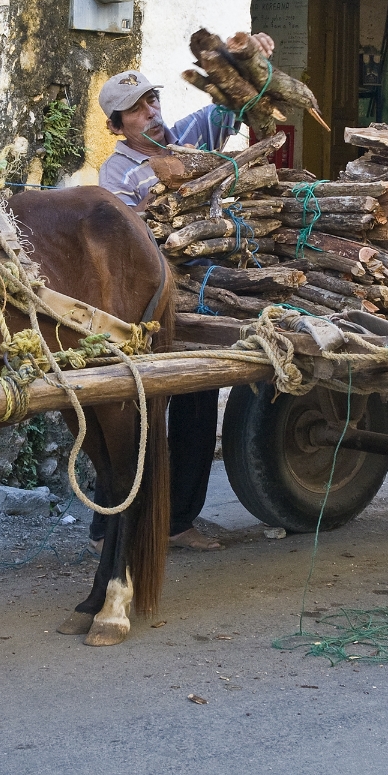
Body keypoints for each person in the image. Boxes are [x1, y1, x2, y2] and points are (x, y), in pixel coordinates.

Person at [89, 34, 277, 552]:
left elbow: (232, 106)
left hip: (208, 292)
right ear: (116, 126)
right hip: (147, 305)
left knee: (197, 407)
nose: (150, 112)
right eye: (136, 109)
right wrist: (156, 181)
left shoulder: (189, 135)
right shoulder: (115, 176)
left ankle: (180, 520)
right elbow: (130, 241)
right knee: (134, 414)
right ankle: (111, 518)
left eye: (152, 100)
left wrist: (254, 58)